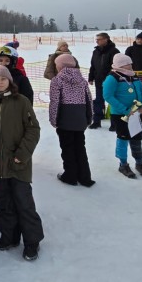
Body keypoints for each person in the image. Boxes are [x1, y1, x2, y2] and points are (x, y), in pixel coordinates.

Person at [0, 64, 43, 260]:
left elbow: (33, 130)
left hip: (18, 163)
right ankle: (9, 237)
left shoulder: (21, 101)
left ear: (10, 80)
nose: (0, 82)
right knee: (5, 203)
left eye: (3, 79)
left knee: (24, 203)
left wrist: (22, 154)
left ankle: (32, 241)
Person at [49, 54, 94, 187]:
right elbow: (89, 100)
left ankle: (70, 176)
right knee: (80, 147)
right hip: (80, 118)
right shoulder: (82, 80)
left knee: (67, 148)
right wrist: (89, 117)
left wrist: (53, 119)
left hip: (65, 118)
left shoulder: (57, 80)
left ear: (60, 66)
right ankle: (85, 177)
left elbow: (55, 102)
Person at [103, 54, 142, 178]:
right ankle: (123, 164)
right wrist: (125, 110)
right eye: (127, 64)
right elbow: (108, 96)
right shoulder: (112, 78)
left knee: (137, 138)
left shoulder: (133, 76)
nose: (130, 65)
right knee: (123, 138)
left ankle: (139, 163)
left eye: (130, 63)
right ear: (120, 65)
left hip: (136, 114)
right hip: (121, 115)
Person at [88, 32, 120, 129]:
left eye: (99, 39)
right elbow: (93, 66)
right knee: (98, 101)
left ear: (106, 39)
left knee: (112, 101)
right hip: (98, 81)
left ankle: (114, 123)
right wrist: (91, 77)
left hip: (111, 81)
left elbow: (117, 67)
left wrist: (111, 78)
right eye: (96, 39)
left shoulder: (114, 51)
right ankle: (96, 121)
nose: (97, 41)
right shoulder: (95, 51)